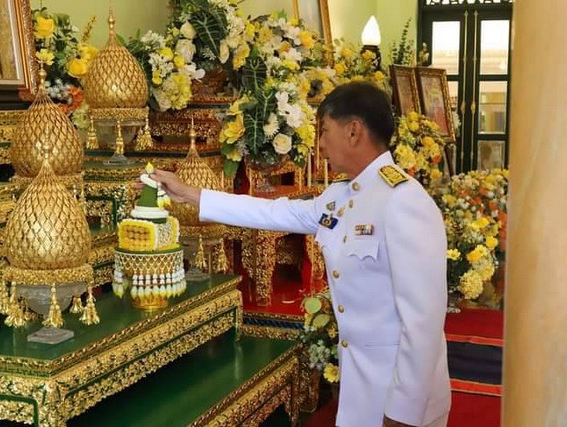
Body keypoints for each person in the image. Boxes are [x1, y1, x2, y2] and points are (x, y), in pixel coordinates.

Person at [147, 81, 451, 427]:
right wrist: (190, 194)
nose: (319, 145)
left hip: (400, 397)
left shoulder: (404, 202)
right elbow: (274, 214)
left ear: (353, 131)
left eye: (324, 131)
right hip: (362, 390)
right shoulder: (339, 196)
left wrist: (403, 413)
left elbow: (423, 322)